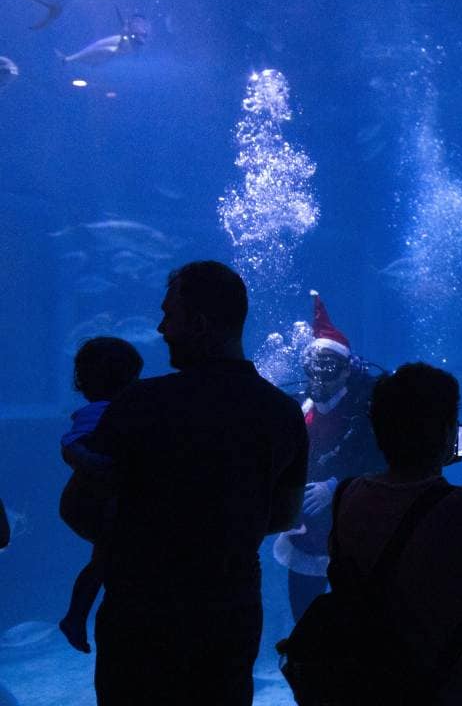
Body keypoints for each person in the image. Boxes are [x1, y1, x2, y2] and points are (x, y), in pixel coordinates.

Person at [80, 261, 309, 706]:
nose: (161, 327)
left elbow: (78, 507)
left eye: (170, 315)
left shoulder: (138, 404)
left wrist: (138, 537)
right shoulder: (282, 413)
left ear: (200, 324)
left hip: (140, 614)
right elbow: (283, 515)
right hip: (229, 612)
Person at [328, 362, 462, 704]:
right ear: (449, 431)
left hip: (371, 685)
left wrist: (426, 463)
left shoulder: (349, 495)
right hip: (453, 690)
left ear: (378, 430)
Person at [274, 290, 380, 621]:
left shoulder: (367, 409)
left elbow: (381, 460)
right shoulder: (300, 409)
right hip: (308, 531)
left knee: (360, 614)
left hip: (356, 526)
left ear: (347, 370)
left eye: (329, 367)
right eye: (312, 367)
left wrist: (336, 486)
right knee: (303, 618)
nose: (319, 376)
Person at [56, 336, 143, 654]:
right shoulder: (102, 412)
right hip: (92, 503)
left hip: (96, 502)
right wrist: (99, 465)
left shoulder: (104, 409)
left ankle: (74, 618)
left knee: (105, 559)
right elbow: (71, 446)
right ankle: (74, 617)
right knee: (107, 557)